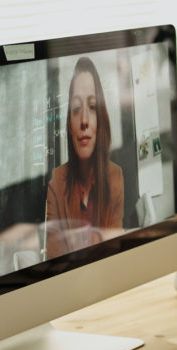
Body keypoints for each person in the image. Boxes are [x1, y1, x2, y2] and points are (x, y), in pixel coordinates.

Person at [46, 57, 124, 259]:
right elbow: (54, 262)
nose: (84, 121)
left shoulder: (115, 177)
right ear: (69, 126)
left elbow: (116, 253)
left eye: (92, 106)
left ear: (101, 120)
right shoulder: (56, 184)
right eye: (76, 109)